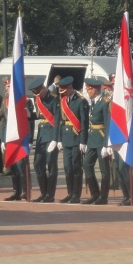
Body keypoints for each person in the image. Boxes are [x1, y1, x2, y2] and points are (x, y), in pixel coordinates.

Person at [56, 76, 88, 204]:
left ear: (70, 87)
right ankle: (70, 193)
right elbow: (60, 121)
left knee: (76, 167)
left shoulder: (81, 101)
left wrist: (83, 140)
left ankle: (76, 194)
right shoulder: (63, 100)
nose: (62, 93)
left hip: (76, 137)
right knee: (67, 167)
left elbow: (84, 123)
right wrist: (59, 139)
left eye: (64, 90)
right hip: (66, 137)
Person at [81, 77, 111, 205]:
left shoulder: (105, 102)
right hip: (93, 138)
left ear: (95, 89)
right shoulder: (93, 102)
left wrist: (106, 144)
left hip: (101, 137)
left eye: (88, 89)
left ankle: (103, 196)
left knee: (104, 169)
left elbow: (108, 124)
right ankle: (95, 193)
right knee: (87, 164)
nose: (87, 92)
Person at [30, 82, 60, 202]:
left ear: (43, 88)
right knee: (37, 163)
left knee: (51, 163)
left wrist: (55, 139)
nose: (38, 95)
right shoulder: (37, 99)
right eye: (36, 93)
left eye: (39, 92)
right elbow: (39, 116)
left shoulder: (54, 99)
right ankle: (44, 192)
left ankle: (50, 194)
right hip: (42, 135)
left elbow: (57, 120)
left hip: (51, 133)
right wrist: (29, 115)